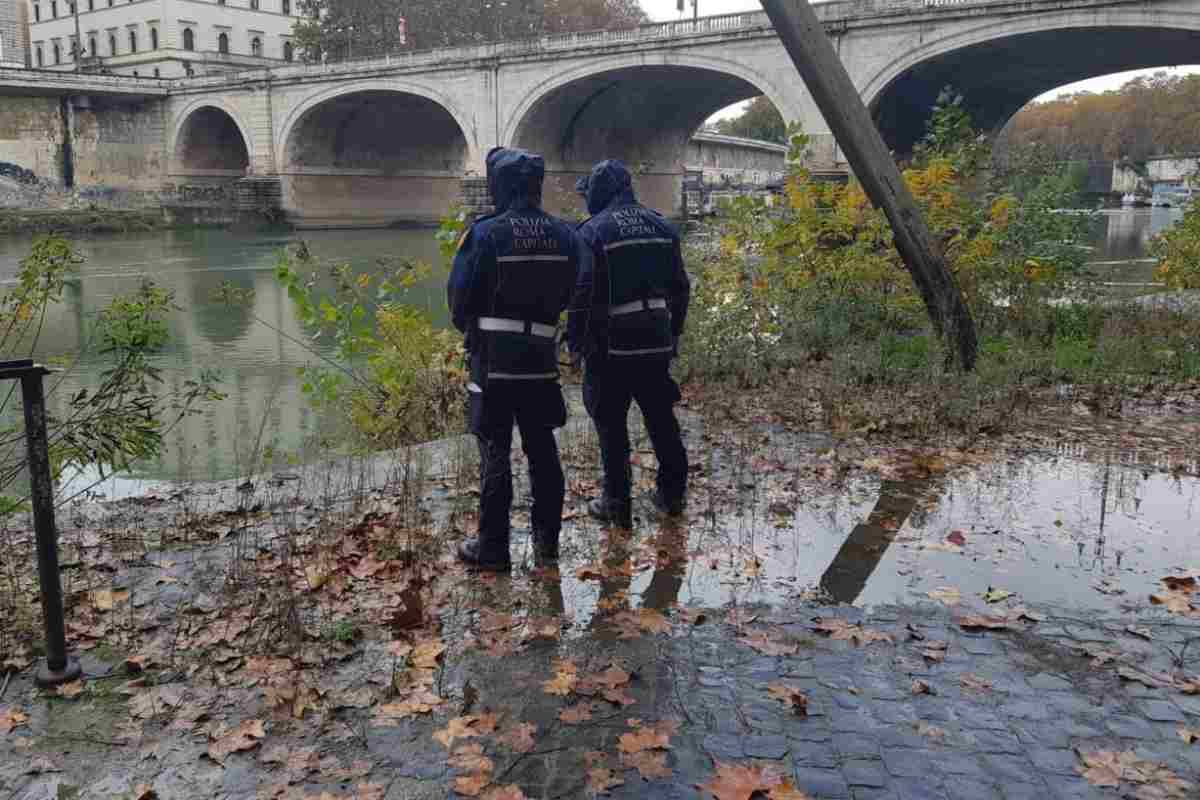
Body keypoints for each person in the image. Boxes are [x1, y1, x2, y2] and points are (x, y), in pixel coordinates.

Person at [447, 148, 579, 571]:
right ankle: (547, 546)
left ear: (498, 186)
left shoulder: (485, 233)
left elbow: (459, 301)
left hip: (494, 363)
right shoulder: (566, 234)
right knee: (543, 451)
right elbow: (577, 293)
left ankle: (493, 550)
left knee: (495, 452)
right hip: (541, 361)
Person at [569, 159, 690, 528]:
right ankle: (672, 495)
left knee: (610, 424)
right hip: (655, 338)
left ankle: (616, 503)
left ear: (599, 192)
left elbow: (582, 293)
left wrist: (575, 342)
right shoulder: (661, 225)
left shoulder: (592, 232)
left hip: (611, 345)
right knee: (660, 417)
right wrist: (674, 334)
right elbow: (681, 288)